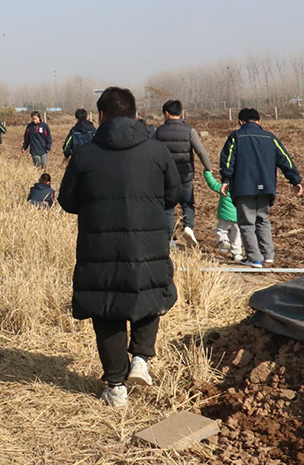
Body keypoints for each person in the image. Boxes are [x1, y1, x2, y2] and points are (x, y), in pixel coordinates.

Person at [58, 87, 181, 408]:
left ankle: (116, 387)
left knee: (107, 309)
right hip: (148, 242)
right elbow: (173, 195)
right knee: (149, 293)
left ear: (100, 116)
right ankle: (140, 358)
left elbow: (68, 201)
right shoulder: (156, 152)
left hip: (100, 247)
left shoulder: (84, 155)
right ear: (135, 114)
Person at [218, 108, 302, 268]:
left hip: (244, 188)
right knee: (262, 220)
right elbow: (285, 159)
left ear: (240, 122)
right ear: (259, 121)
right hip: (266, 188)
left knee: (247, 223)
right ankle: (268, 256)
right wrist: (295, 180)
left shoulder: (236, 136)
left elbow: (228, 160)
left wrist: (225, 179)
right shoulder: (270, 138)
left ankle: (254, 258)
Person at [151, 100, 212, 247]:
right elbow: (201, 151)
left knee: (168, 207)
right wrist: (208, 168)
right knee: (188, 204)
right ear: (180, 112)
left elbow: (150, 150)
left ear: (166, 113)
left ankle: (170, 239)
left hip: (165, 177)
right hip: (185, 176)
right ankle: (188, 228)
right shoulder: (189, 131)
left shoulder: (158, 132)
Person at [203, 169, 243, 262]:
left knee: (220, 230)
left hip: (225, 215)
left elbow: (212, 184)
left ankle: (224, 241)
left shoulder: (223, 187)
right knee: (236, 235)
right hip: (238, 216)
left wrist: (207, 172)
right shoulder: (241, 189)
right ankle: (237, 254)